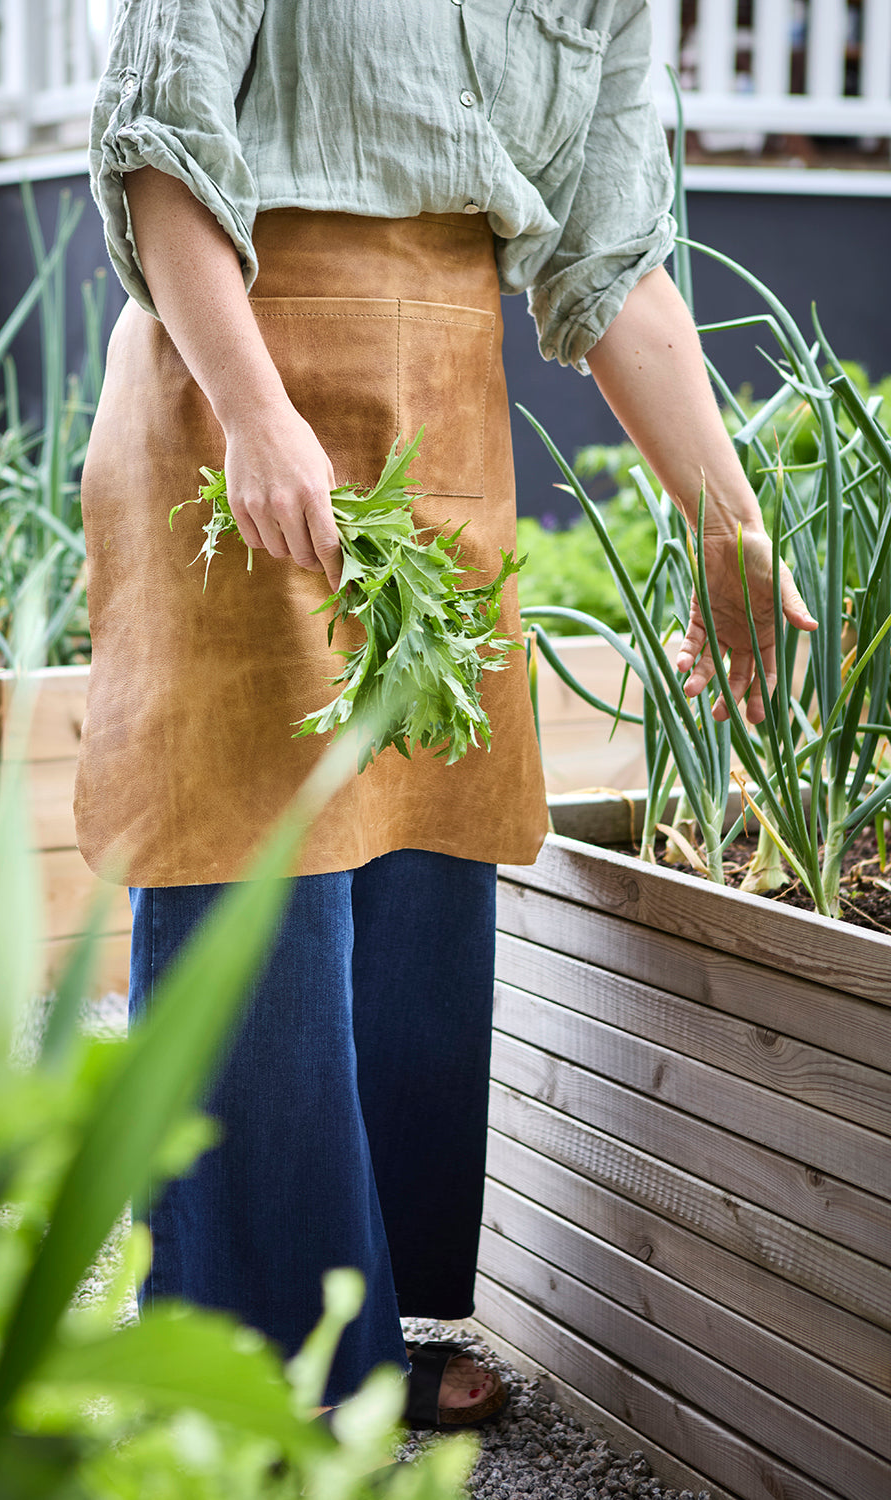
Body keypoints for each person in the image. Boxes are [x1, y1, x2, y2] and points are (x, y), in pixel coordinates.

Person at [73, 0, 816, 1425]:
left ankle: (368, 1328)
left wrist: (729, 528)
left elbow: (616, 266)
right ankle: (246, 1367)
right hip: (234, 380)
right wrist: (255, 413)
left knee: (422, 859)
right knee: (254, 869)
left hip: (438, 406)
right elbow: (159, 153)